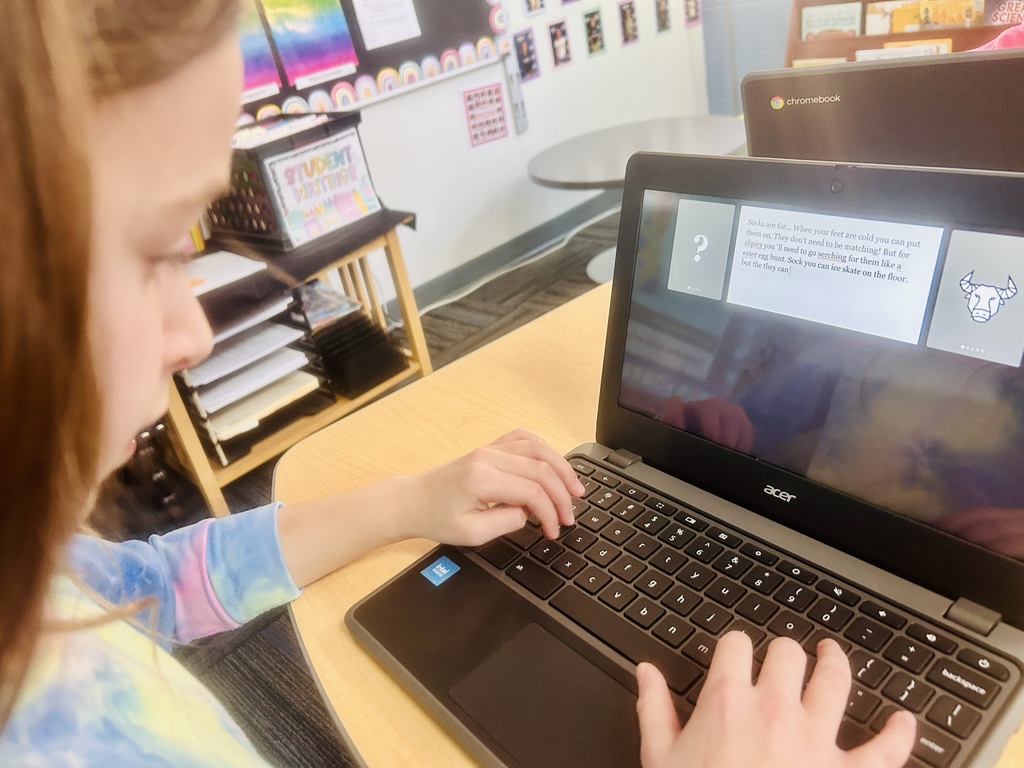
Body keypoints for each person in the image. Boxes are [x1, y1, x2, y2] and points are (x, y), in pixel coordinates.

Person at [0, 0, 918, 765]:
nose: (194, 332)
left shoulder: (37, 578)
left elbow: (146, 585)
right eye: (160, 250)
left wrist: (410, 501)